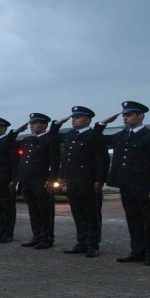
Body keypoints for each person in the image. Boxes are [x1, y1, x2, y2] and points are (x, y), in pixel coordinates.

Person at [95, 101, 150, 266]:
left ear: (140, 116)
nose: (126, 118)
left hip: (145, 185)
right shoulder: (121, 136)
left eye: (130, 114)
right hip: (126, 184)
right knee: (132, 218)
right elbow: (96, 139)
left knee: (149, 219)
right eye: (124, 115)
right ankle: (136, 250)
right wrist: (103, 123)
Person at [50, 106, 109, 258]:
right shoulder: (70, 135)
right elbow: (52, 137)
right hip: (72, 179)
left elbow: (102, 159)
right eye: (73, 117)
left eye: (78, 117)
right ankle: (81, 241)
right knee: (78, 213)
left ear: (88, 119)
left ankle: (93, 244)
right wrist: (57, 124)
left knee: (92, 213)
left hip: (88, 180)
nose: (74, 120)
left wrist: (100, 180)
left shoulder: (94, 135)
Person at [14, 113, 60, 249]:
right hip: (27, 180)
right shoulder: (28, 140)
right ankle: (36, 236)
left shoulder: (50, 139)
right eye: (30, 124)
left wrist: (52, 179)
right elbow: (22, 159)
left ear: (44, 124)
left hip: (41, 180)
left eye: (35, 123)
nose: (31, 126)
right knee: (33, 210)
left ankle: (47, 238)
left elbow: (55, 161)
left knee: (45, 211)